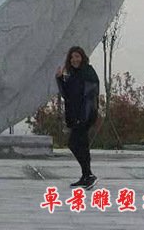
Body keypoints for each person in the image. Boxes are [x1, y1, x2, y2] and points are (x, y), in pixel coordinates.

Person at [56, 45, 99, 189]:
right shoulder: (73, 75)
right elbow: (67, 95)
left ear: (82, 58)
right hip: (76, 116)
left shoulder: (88, 72)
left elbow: (90, 97)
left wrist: (84, 117)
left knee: (74, 143)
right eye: (72, 57)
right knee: (82, 145)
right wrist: (60, 79)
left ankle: (89, 175)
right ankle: (86, 176)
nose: (74, 59)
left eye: (77, 56)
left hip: (84, 115)